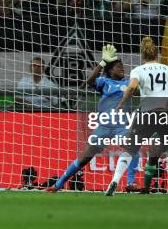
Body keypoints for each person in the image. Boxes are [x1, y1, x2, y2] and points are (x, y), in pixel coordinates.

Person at [45, 45, 139, 194]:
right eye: (118, 67)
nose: (122, 69)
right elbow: (89, 81)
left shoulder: (128, 83)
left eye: (122, 67)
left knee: (134, 145)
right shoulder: (104, 82)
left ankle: (130, 182)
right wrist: (102, 62)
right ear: (110, 70)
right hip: (103, 128)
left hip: (121, 127)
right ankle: (57, 185)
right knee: (84, 159)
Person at [115, 37, 168, 197]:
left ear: (142, 55)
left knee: (130, 148)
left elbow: (132, 87)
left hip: (148, 114)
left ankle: (114, 181)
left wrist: (121, 104)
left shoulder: (138, 70)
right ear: (158, 54)